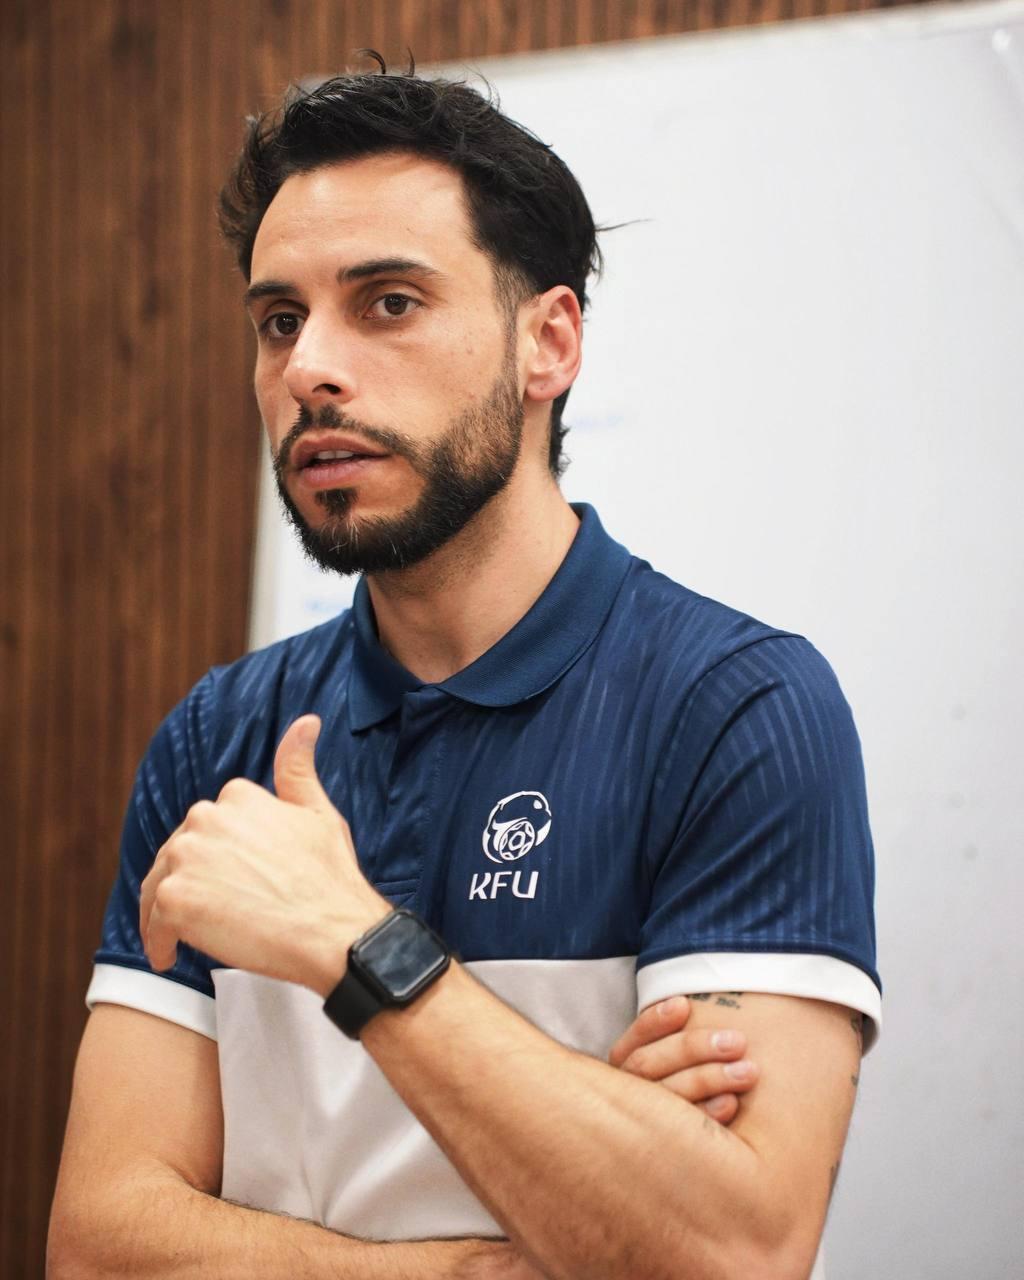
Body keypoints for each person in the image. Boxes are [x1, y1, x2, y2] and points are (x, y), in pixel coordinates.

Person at [49, 60, 880, 1280]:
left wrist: (352, 939)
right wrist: (474, 1259)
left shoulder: (736, 708)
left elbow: (730, 1249)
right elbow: (99, 1241)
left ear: (549, 341)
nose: (308, 368)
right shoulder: (216, 737)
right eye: (279, 320)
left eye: (386, 302)